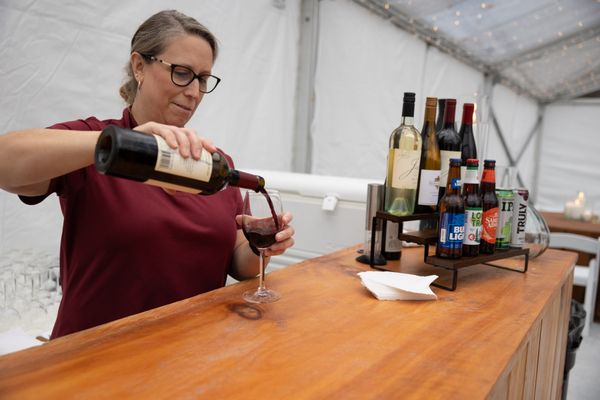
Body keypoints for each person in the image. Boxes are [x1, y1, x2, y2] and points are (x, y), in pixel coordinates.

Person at [0, 10, 295, 338]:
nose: (194, 92)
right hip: (93, 361)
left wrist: (260, 247)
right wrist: (121, 144)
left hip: (190, 356)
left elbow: (239, 265)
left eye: (202, 79)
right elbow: (4, 162)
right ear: (139, 66)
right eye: (182, 73)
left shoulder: (214, 163)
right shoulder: (97, 142)